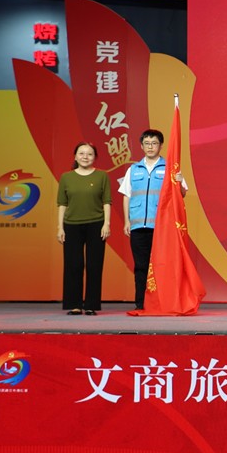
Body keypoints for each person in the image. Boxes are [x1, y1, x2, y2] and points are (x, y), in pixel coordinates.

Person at [120, 128, 186, 312]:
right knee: (141, 266)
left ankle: (162, 302)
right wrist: (127, 221)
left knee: (162, 265)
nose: (150, 147)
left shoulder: (170, 168)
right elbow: (126, 196)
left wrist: (180, 181)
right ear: (142, 146)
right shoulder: (133, 169)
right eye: (147, 143)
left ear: (161, 146)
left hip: (162, 227)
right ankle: (141, 303)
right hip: (138, 226)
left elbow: (181, 194)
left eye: (154, 143)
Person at [57, 141, 112, 315]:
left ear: (95, 157)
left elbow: (107, 202)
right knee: (73, 265)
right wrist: (60, 227)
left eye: (89, 154)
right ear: (75, 156)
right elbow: (62, 204)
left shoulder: (102, 176)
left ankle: (90, 305)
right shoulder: (66, 177)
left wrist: (106, 224)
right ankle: (74, 304)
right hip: (71, 225)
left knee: (94, 265)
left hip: (96, 224)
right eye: (81, 153)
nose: (85, 157)